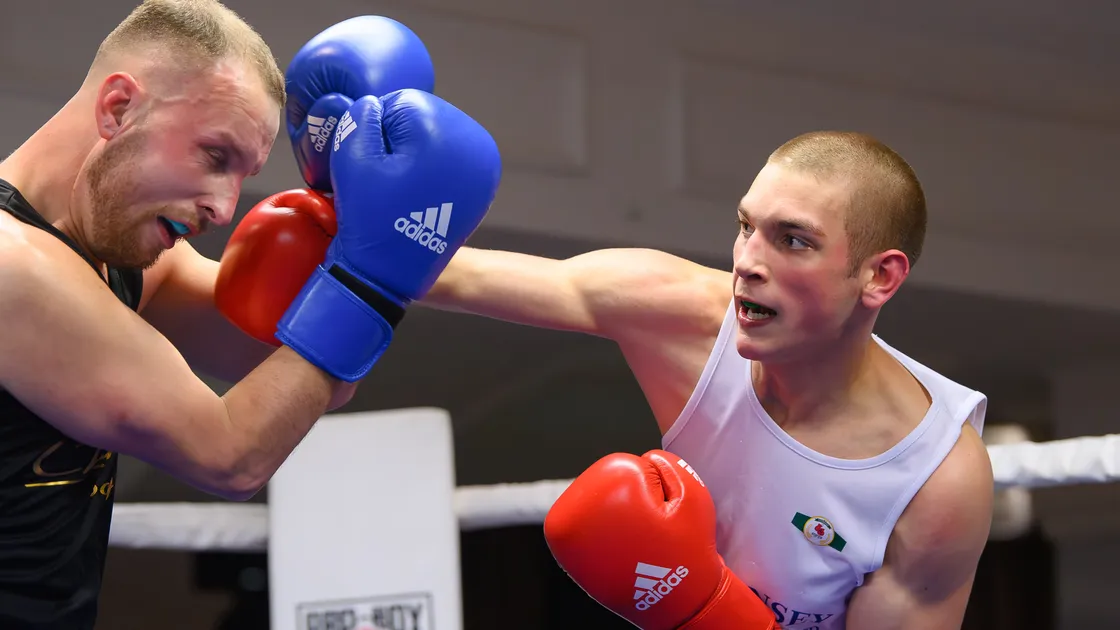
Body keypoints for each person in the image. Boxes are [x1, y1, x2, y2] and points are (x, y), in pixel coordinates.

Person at [0, 1, 501, 627]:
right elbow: (231, 454)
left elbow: (302, 378)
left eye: (243, 174)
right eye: (216, 156)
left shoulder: (127, 262)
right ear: (118, 107)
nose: (224, 208)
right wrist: (371, 279)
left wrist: (350, 214)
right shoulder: (10, 267)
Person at [418, 131, 995, 628]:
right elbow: (446, 273)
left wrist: (712, 616)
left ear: (879, 276)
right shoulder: (678, 312)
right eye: (747, 227)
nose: (748, 261)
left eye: (793, 239)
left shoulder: (933, 478)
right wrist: (331, 198)